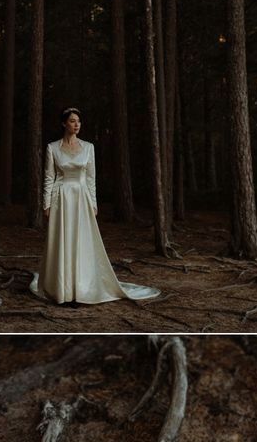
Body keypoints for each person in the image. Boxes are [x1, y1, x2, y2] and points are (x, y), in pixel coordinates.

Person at [30, 108, 160, 306]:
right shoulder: (52, 148)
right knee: (61, 240)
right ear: (64, 123)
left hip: (81, 198)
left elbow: (91, 178)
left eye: (79, 121)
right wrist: (46, 203)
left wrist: (93, 202)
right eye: (73, 121)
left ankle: (80, 287)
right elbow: (49, 177)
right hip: (61, 198)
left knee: (81, 240)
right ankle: (62, 288)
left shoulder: (89, 147)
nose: (77, 125)